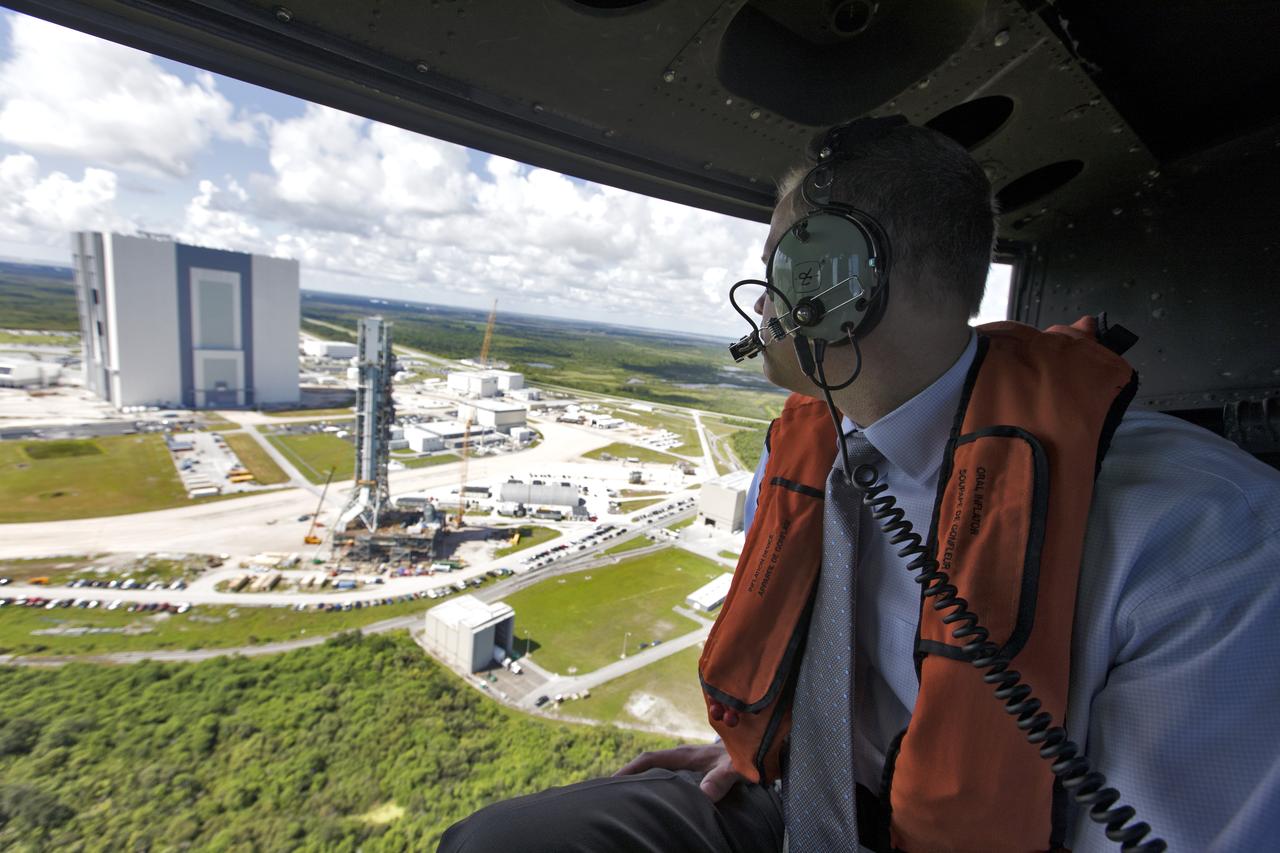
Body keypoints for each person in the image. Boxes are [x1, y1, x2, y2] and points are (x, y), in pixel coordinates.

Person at [439, 121, 1280, 852]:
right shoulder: (812, 448)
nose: (761, 299)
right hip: (794, 798)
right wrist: (785, 757)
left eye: (775, 265)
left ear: (827, 278)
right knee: (502, 840)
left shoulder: (1200, 530)